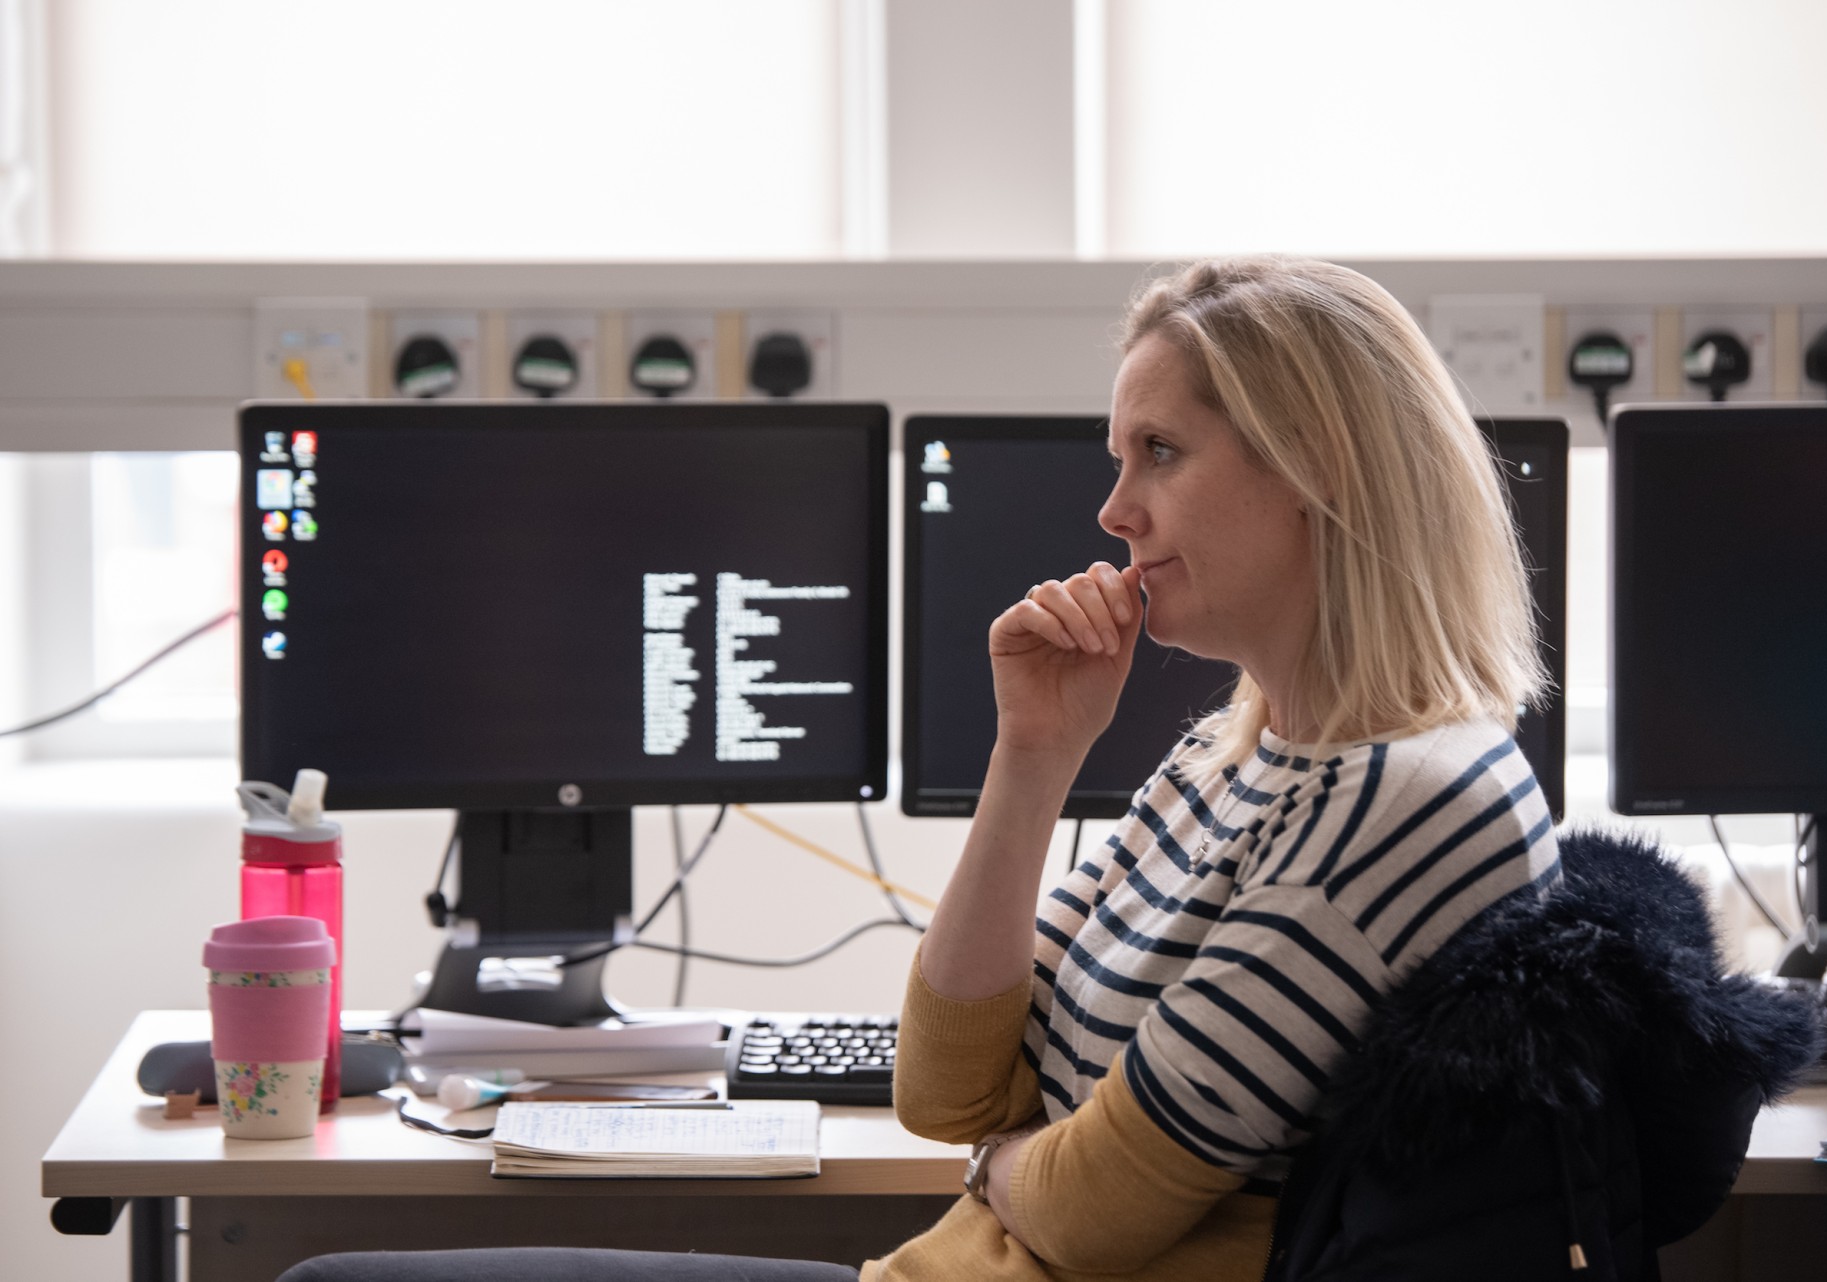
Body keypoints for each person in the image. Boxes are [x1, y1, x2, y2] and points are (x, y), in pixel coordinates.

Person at [278, 255, 1558, 1282]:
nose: (1114, 512)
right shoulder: (1235, 757)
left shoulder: (1411, 798)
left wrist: (1010, 1170)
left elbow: (1094, 1213)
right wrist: (1035, 757)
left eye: (1158, 454)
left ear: (1318, 469)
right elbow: (946, 1090)